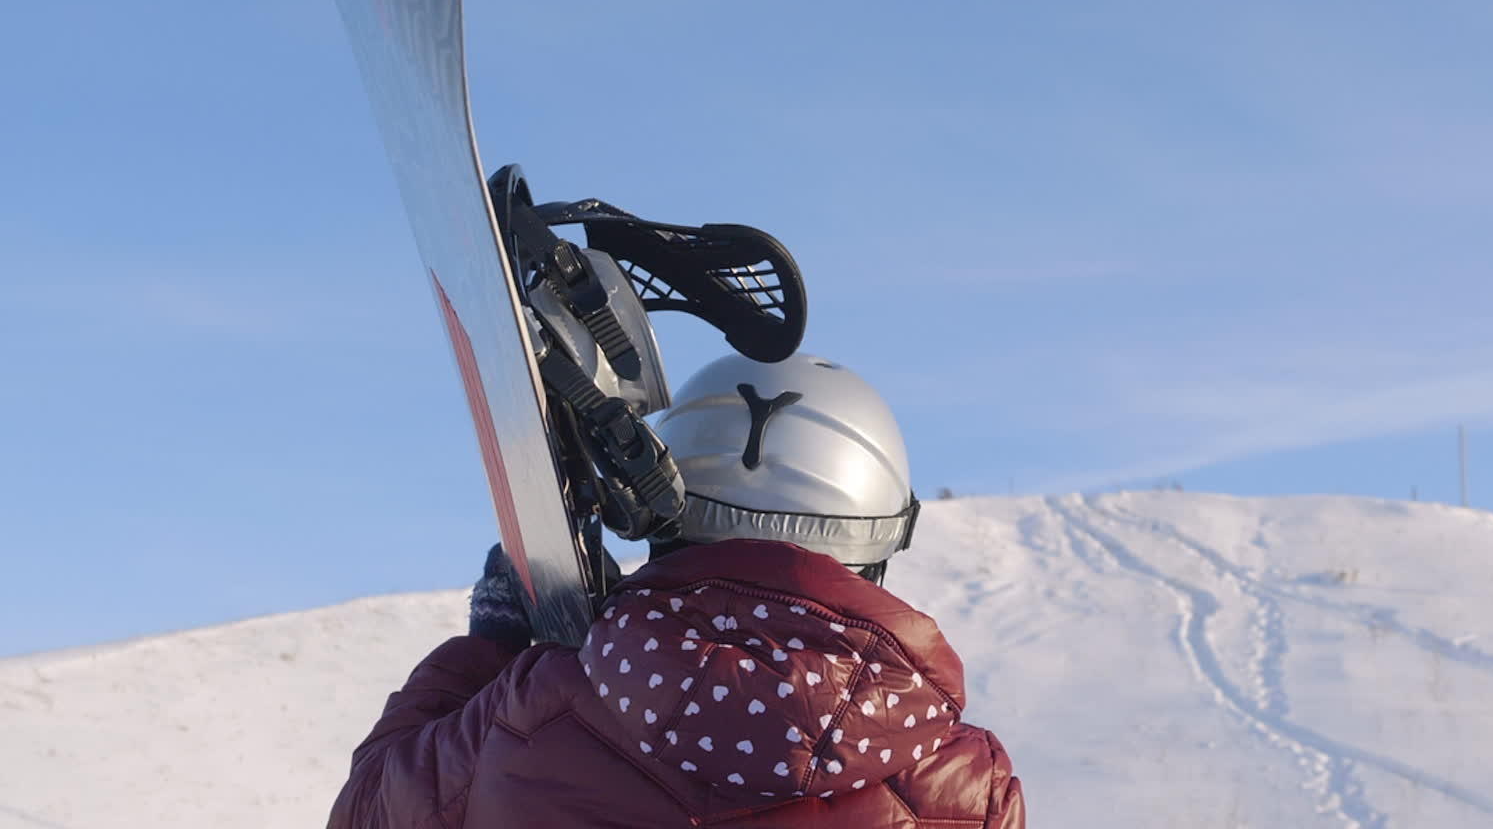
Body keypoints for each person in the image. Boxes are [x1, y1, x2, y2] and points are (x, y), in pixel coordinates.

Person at [327, 353, 1026, 828]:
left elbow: (364, 813)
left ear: (661, 509)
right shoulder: (965, 788)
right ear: (878, 542)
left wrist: (490, 648)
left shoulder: (527, 712)